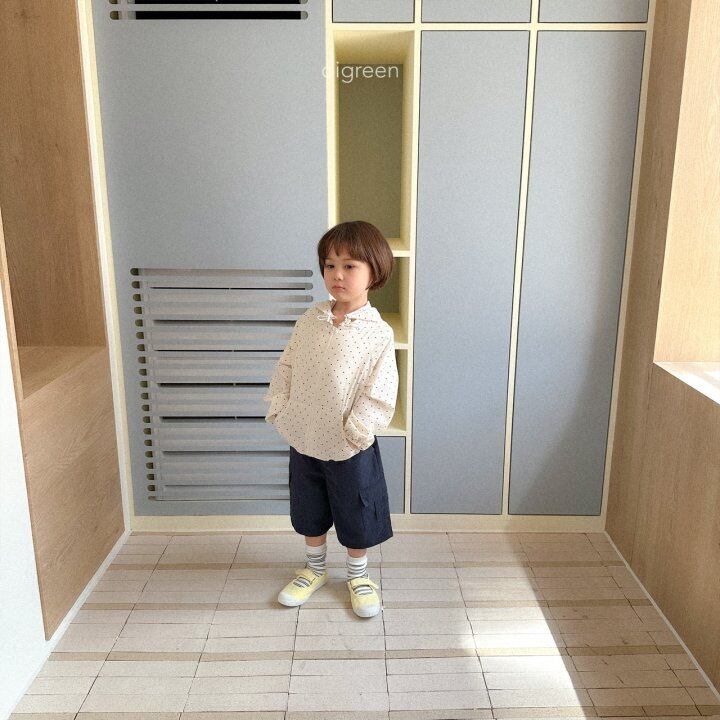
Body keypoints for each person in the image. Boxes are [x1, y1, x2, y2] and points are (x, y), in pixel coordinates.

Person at [263, 220, 399, 618]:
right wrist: (280, 405)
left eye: (349, 266)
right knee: (309, 506)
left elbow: (380, 388)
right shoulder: (311, 320)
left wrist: (356, 431)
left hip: (347, 443)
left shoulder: (376, 333)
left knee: (357, 507)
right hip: (305, 435)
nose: (337, 275)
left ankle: (358, 575)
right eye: (329, 265)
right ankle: (314, 569)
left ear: (374, 271)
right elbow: (288, 364)